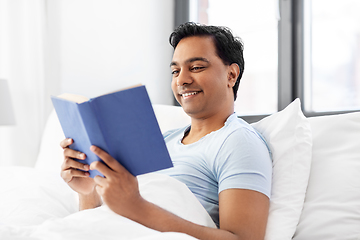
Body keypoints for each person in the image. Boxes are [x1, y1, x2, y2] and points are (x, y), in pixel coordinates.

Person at [60, 22, 272, 240]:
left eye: (196, 67)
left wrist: (135, 206)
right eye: (175, 71)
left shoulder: (238, 141)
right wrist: (87, 192)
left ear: (231, 75)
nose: (182, 80)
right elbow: (101, 225)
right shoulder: (161, 141)